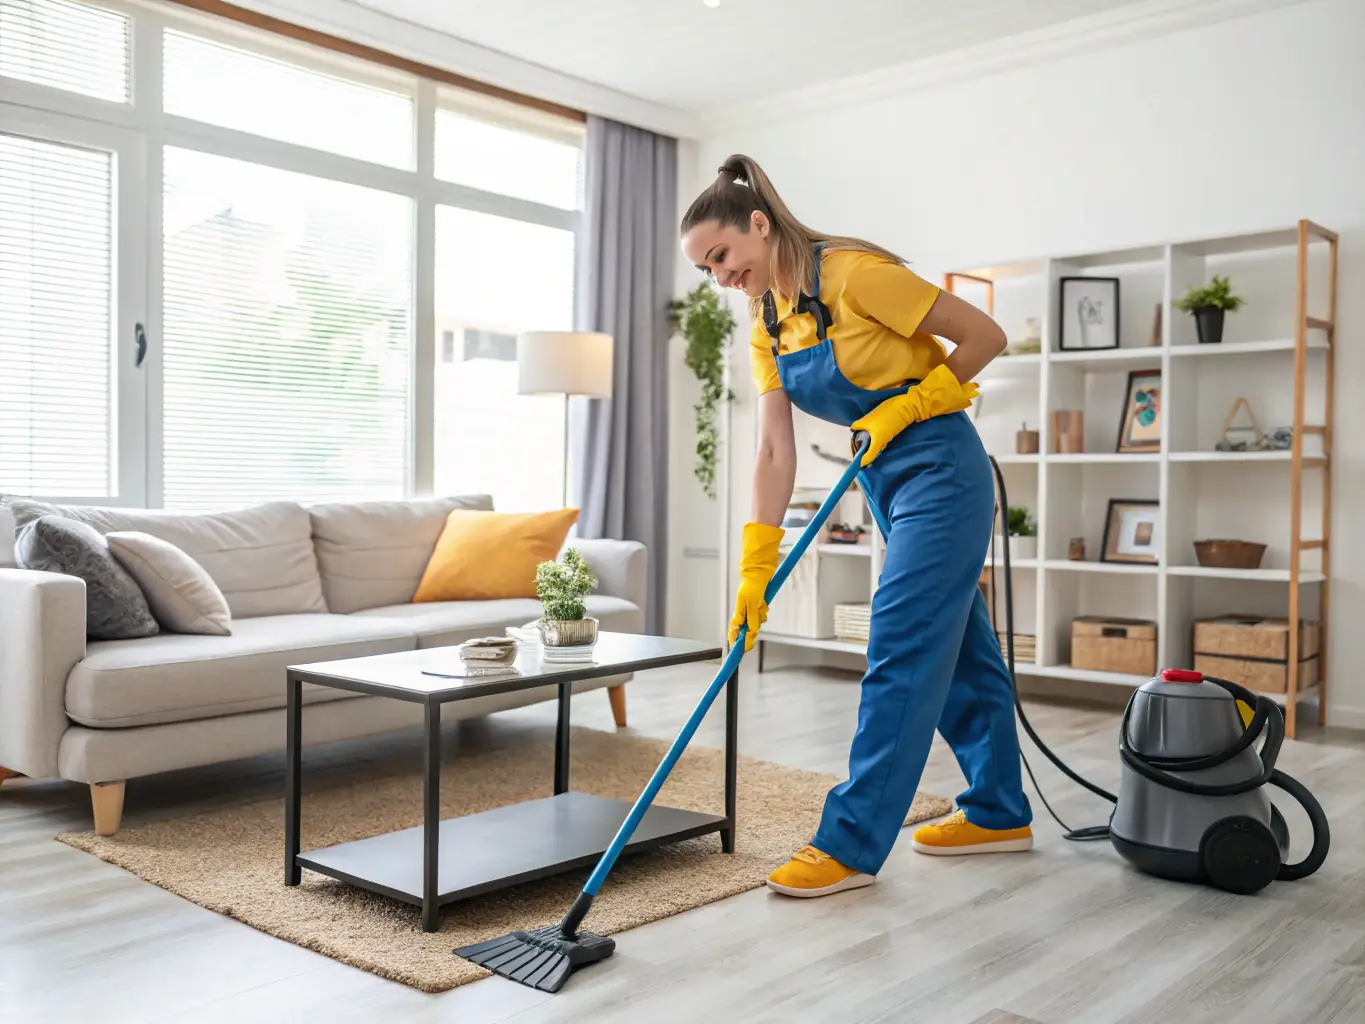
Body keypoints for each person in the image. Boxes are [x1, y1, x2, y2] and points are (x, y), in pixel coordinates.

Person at [680, 155, 1034, 898]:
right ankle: (998, 811)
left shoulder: (852, 275)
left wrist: (910, 403)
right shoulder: (766, 319)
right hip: (882, 477)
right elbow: (774, 450)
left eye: (721, 256)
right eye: (705, 270)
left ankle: (848, 842)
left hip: (940, 466)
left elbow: (983, 335)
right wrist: (754, 567)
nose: (720, 277)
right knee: (962, 654)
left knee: (899, 645)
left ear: (757, 223)